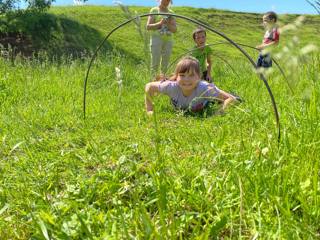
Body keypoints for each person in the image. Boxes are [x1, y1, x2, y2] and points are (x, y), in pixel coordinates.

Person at [145, 56, 236, 115]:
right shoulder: (171, 87)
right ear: (176, 77)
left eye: (191, 75)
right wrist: (149, 110)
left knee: (221, 98)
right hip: (183, 108)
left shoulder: (205, 88)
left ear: (199, 77)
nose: (186, 80)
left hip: (207, 102)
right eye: (182, 75)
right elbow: (149, 87)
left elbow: (231, 98)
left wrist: (220, 110)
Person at [146, 0, 177, 77]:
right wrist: (160, 23)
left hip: (168, 41)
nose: (166, 2)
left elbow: (174, 29)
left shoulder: (171, 13)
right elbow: (148, 26)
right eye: (164, 0)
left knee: (165, 63)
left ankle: (163, 82)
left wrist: (168, 23)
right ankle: (153, 81)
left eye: (168, 0)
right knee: (155, 61)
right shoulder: (154, 10)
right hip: (156, 39)